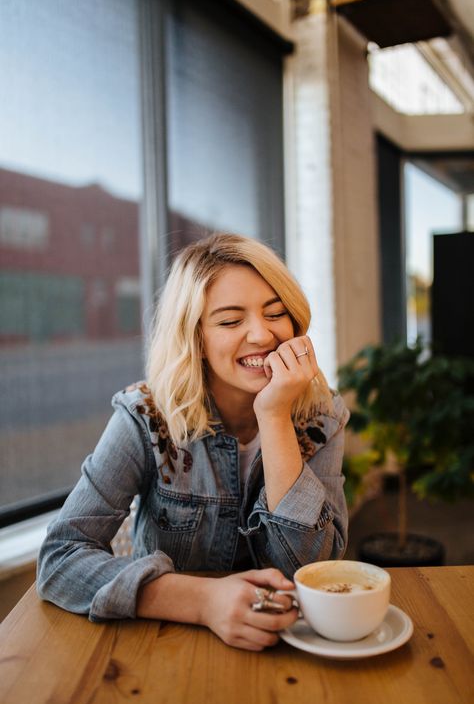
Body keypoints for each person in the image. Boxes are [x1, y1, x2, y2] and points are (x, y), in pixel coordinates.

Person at [37, 233, 349, 651]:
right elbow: (60, 559)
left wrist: (273, 416)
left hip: (285, 645)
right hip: (168, 641)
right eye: (230, 321)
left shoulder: (322, 416)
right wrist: (202, 601)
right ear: (195, 338)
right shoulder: (146, 416)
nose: (261, 335)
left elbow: (310, 569)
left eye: (275, 313)